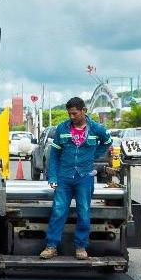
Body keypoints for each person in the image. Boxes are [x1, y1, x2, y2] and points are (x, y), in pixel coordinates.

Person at [39, 96, 112, 260]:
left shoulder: (96, 128)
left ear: (83, 111)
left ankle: (81, 247)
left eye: (75, 113)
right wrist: (52, 176)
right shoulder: (62, 128)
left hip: (84, 177)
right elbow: (54, 154)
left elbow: (107, 141)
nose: (72, 117)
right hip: (64, 177)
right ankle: (51, 246)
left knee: (84, 211)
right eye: (69, 114)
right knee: (58, 211)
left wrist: (94, 155)